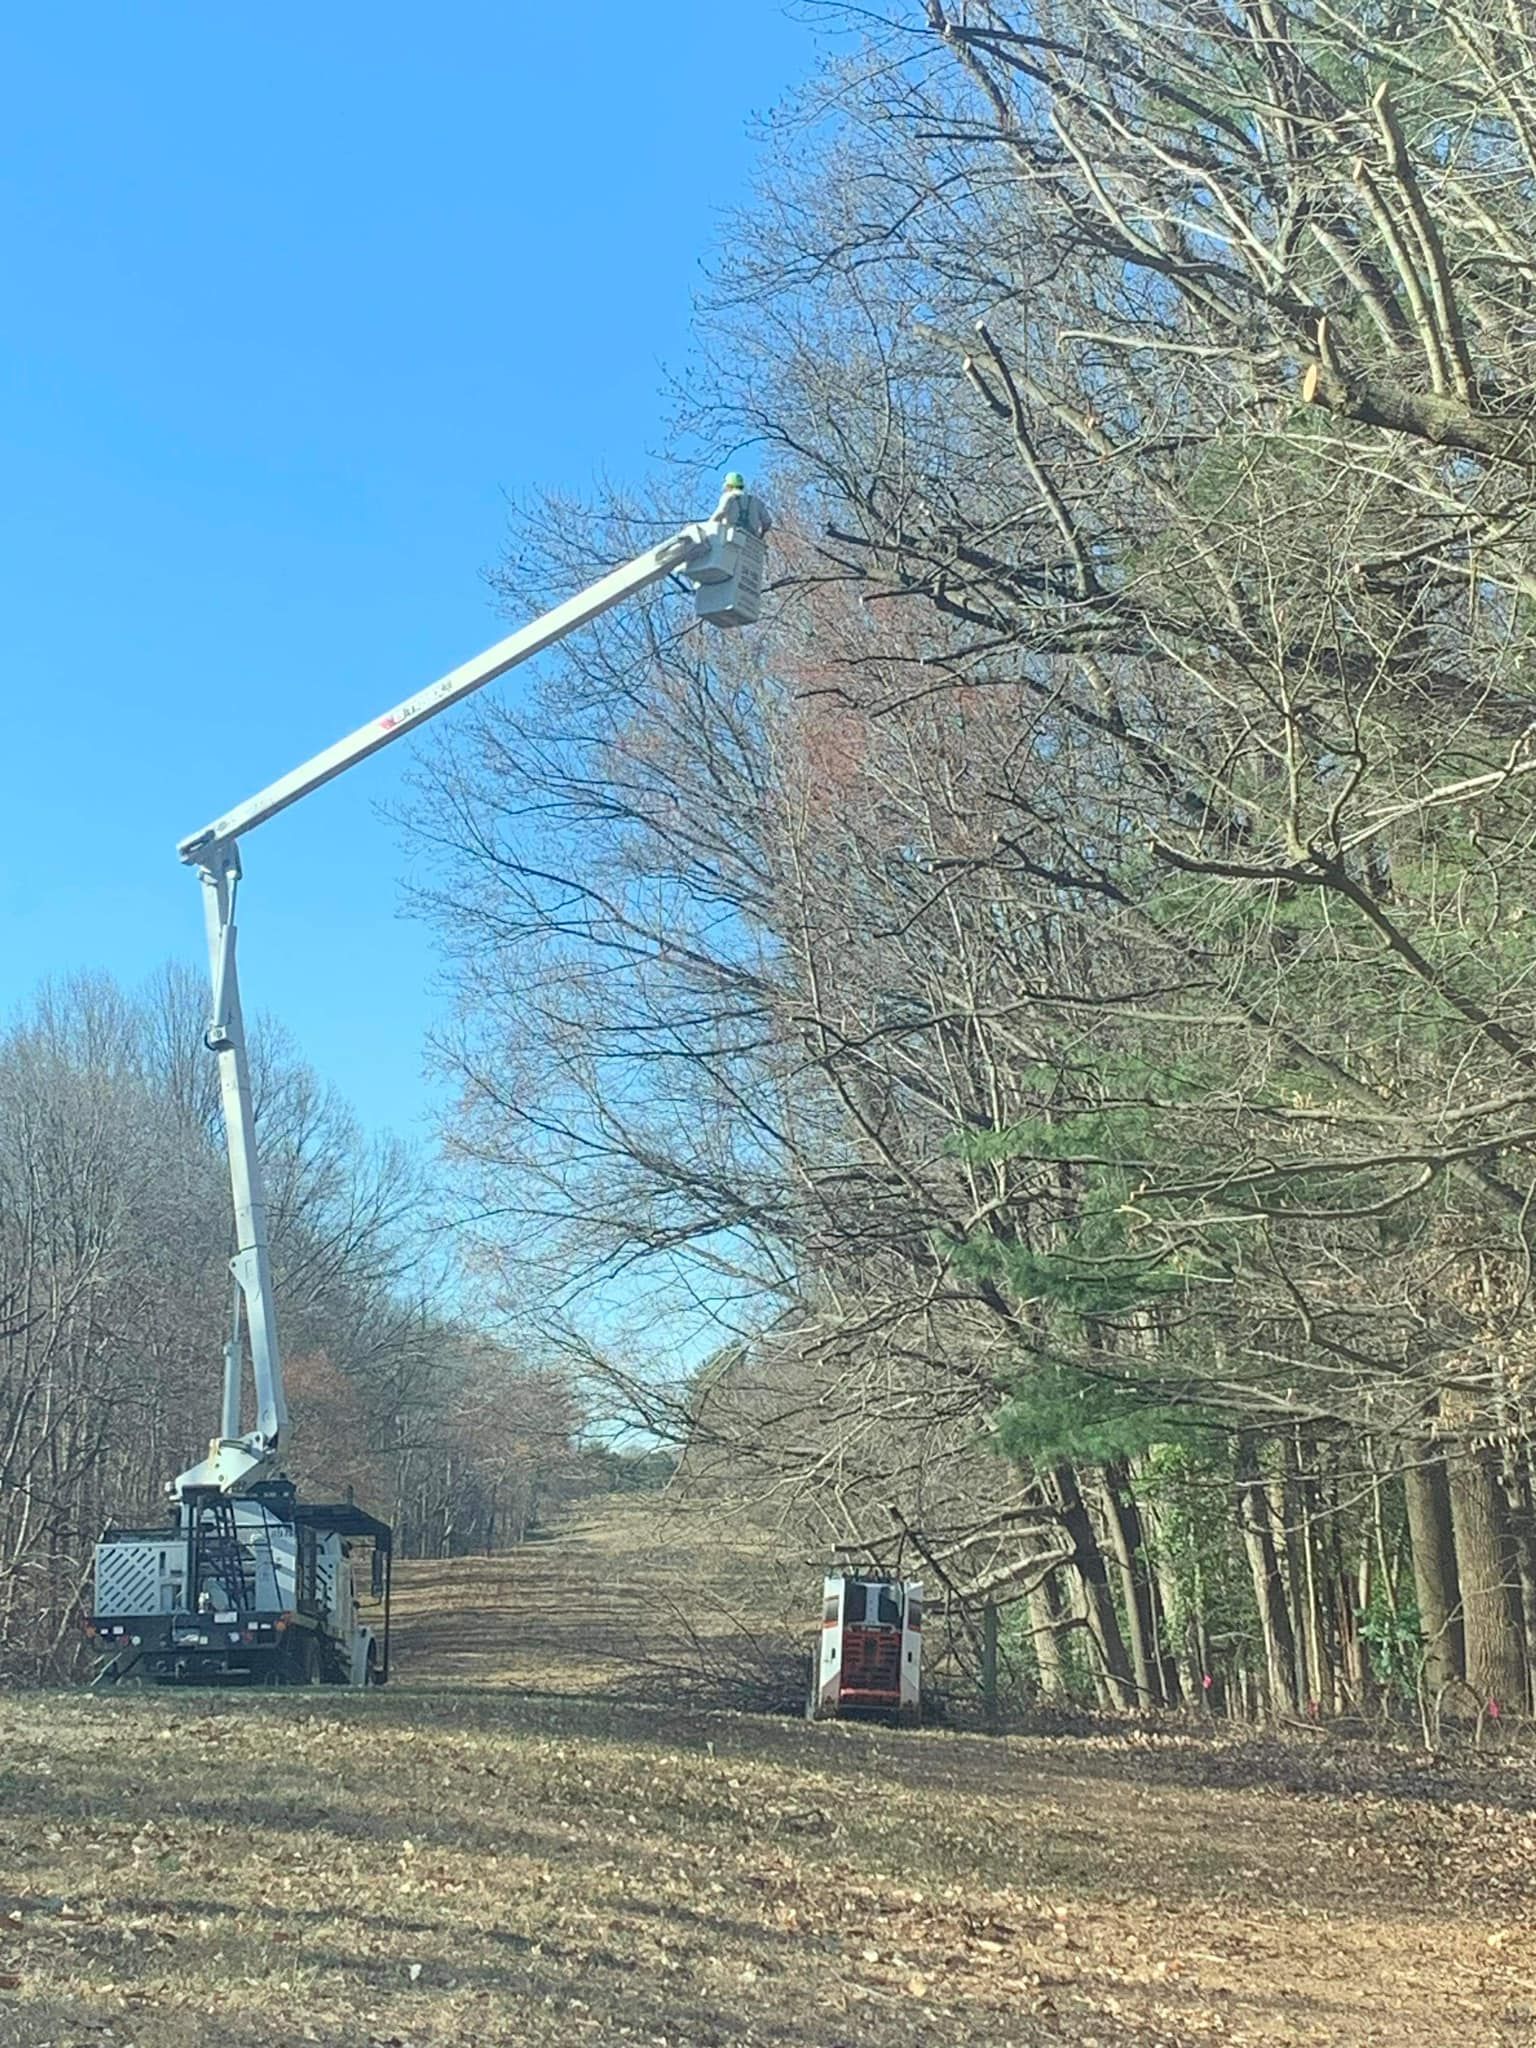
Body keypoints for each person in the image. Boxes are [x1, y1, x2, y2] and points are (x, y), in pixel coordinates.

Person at [711, 471, 772, 539]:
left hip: (731, 539)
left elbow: (721, 511)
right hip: (752, 542)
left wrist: (709, 525)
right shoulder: (756, 501)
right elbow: (767, 522)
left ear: (728, 486)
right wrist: (760, 536)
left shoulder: (728, 496)